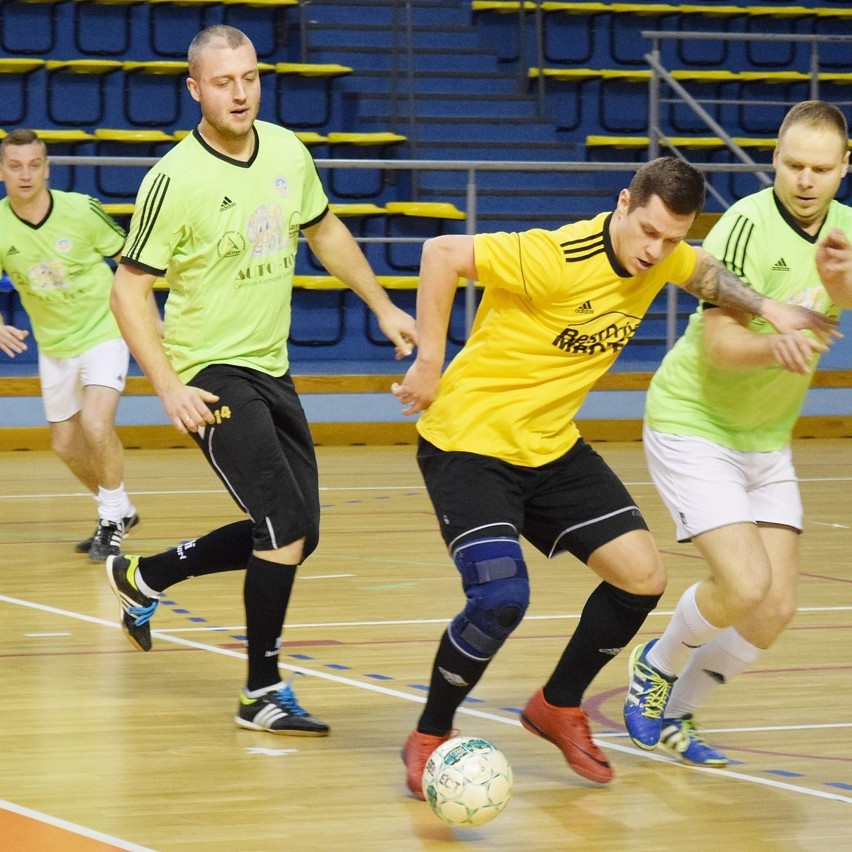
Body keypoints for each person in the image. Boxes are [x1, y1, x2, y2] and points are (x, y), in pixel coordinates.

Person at [390, 155, 837, 799]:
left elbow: (705, 272)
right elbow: (440, 253)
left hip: (550, 448)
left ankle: (557, 704)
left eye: (672, 238)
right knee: (499, 598)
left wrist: (771, 306)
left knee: (642, 577)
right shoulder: (554, 256)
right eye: (648, 231)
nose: (657, 251)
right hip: (469, 444)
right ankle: (430, 733)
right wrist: (431, 360)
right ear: (623, 204)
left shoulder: (668, 254)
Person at [106, 25, 416, 735]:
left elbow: (325, 229)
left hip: (272, 365)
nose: (240, 92)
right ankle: (260, 691)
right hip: (208, 372)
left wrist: (383, 305)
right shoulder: (173, 180)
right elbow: (128, 290)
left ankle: (144, 576)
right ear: (195, 89)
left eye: (249, 77)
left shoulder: (285, 148)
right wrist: (167, 386)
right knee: (281, 530)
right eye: (223, 81)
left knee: (298, 530)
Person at [624, 101, 852, 766]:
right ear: (774, 159)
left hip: (765, 438)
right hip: (694, 422)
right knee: (745, 584)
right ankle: (655, 664)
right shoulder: (744, 227)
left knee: (772, 610)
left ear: (844, 166)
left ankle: (678, 711)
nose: (805, 180)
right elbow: (721, 345)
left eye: (820, 168)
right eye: (792, 165)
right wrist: (774, 343)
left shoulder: (844, 228)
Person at [0, 128, 149, 561]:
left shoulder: (81, 211)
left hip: (105, 330)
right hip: (54, 345)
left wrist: (146, 317)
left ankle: (110, 521)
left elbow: (132, 258)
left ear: (47, 169)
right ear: (2, 171)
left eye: (34, 165)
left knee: (97, 425)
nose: (25, 175)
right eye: (15, 166)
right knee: (65, 445)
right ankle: (120, 509)